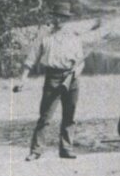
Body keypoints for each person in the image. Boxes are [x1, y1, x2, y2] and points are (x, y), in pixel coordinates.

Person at [22, 12, 82, 160]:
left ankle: (66, 149)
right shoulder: (45, 36)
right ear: (53, 18)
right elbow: (31, 58)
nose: (59, 20)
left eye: (63, 17)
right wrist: (22, 79)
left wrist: (74, 73)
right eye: (57, 17)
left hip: (71, 78)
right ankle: (36, 151)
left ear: (67, 19)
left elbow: (81, 61)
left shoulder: (74, 37)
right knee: (45, 116)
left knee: (70, 115)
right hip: (52, 77)